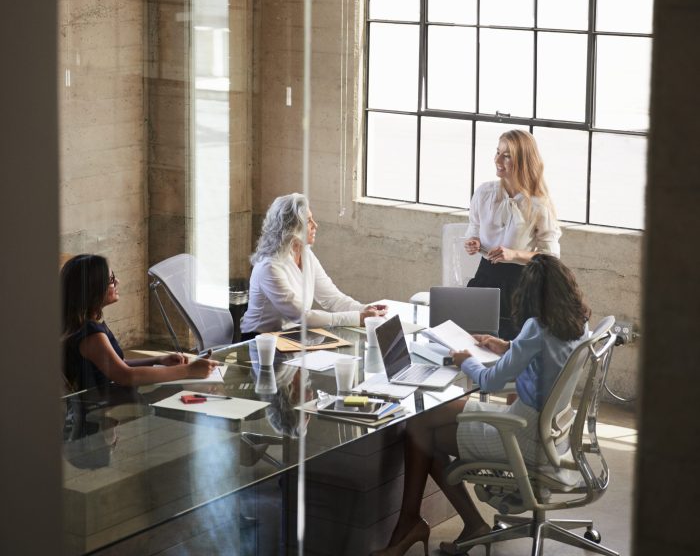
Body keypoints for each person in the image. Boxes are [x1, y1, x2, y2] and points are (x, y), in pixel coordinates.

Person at [370, 254, 591, 556]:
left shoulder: (536, 327)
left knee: (420, 429)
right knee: (426, 421)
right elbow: (545, 356)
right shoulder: (578, 325)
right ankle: (447, 524)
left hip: (521, 434)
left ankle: (411, 526)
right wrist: (508, 347)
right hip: (546, 429)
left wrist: (466, 360)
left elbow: (490, 382)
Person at [62, 254, 218, 395]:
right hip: (99, 413)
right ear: (93, 289)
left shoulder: (87, 325)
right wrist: (188, 370)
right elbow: (125, 376)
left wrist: (158, 360)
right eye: (111, 279)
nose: (117, 281)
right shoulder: (91, 334)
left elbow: (118, 364)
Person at [240, 193, 387, 336]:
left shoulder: (306, 254)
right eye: (308, 221)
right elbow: (302, 316)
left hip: (291, 337)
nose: (315, 225)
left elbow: (332, 298)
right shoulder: (270, 267)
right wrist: (358, 318)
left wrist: (363, 309)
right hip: (257, 341)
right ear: (291, 228)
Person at [464, 129, 561, 340]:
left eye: (506, 155)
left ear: (523, 161)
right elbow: (474, 226)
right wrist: (473, 241)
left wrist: (513, 254)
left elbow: (551, 258)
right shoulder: (484, 192)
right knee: (473, 343)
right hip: (485, 278)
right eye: (497, 152)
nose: (497, 159)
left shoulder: (539, 204)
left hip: (519, 284)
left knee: (510, 349)